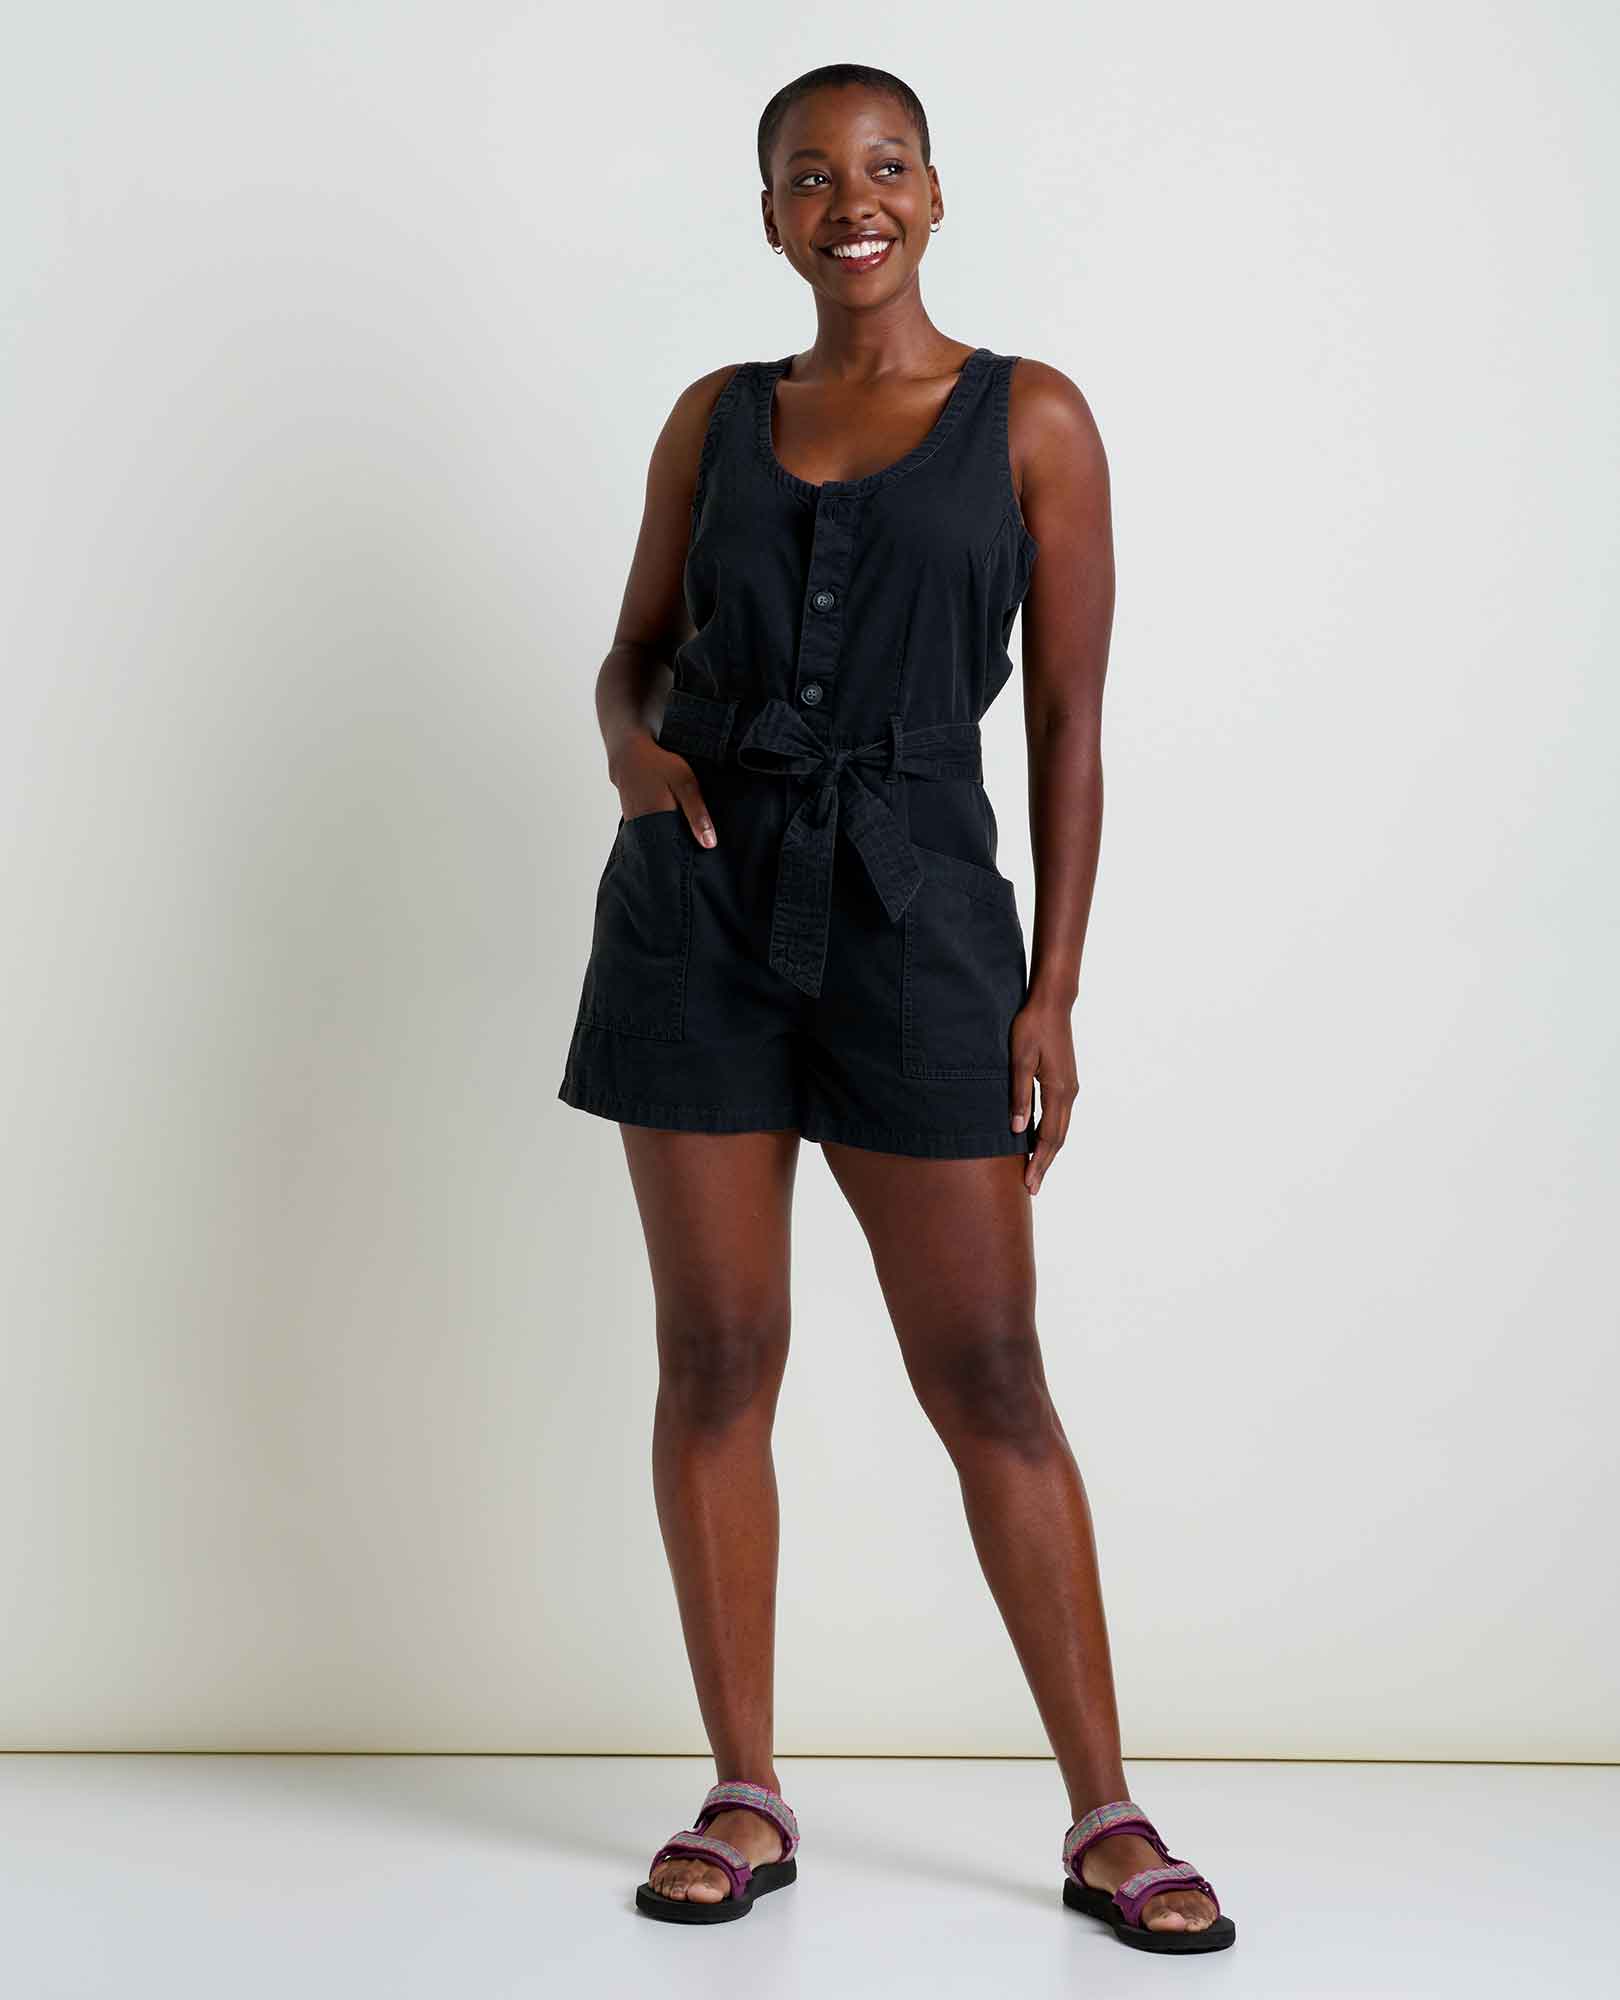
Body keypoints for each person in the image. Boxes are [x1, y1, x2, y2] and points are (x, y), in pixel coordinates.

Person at [556, 62, 1235, 1955]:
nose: (847, 200)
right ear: (768, 215)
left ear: (935, 196)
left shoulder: (1034, 420)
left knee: (990, 1374)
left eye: (882, 167)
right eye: (807, 174)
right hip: (694, 912)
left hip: (926, 928)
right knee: (716, 1357)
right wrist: (629, 754)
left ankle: (1106, 1813)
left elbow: (1072, 723)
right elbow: (631, 654)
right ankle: (745, 1788)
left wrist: (1053, 989)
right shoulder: (716, 417)